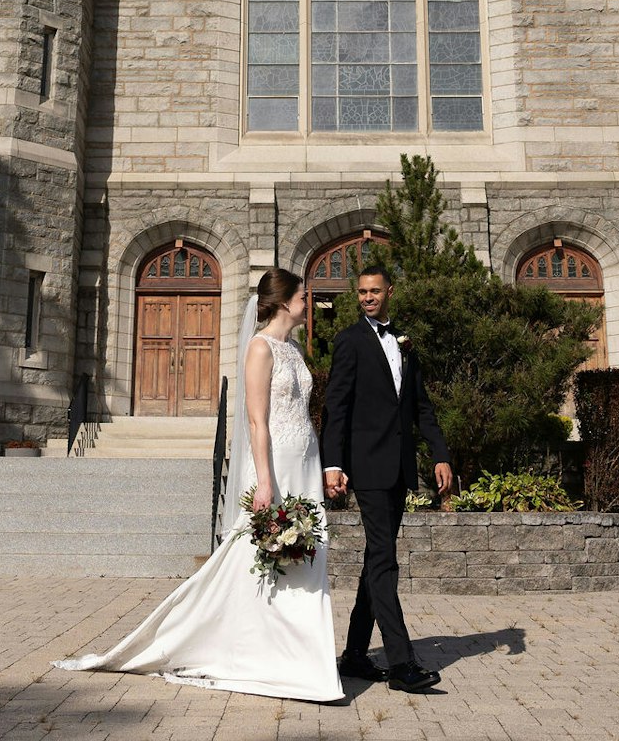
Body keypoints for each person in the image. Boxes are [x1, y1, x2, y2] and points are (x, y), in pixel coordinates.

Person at [52, 267, 340, 701]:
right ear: (283, 301)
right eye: (303, 294)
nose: (308, 299)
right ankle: (251, 647)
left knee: (305, 555)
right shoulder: (260, 349)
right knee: (260, 557)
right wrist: (264, 482)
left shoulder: (294, 350)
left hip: (305, 457)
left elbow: (302, 411)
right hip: (275, 463)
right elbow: (258, 420)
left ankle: (302, 655)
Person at [321, 262, 453, 694]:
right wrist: (333, 465)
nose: (368, 298)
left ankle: (356, 654)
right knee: (385, 560)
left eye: (374, 291)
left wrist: (440, 454)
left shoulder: (404, 342)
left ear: (389, 291)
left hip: (399, 467)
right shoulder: (350, 342)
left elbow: (421, 407)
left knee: (377, 561)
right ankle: (401, 663)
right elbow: (335, 408)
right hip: (369, 468)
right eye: (361, 292)